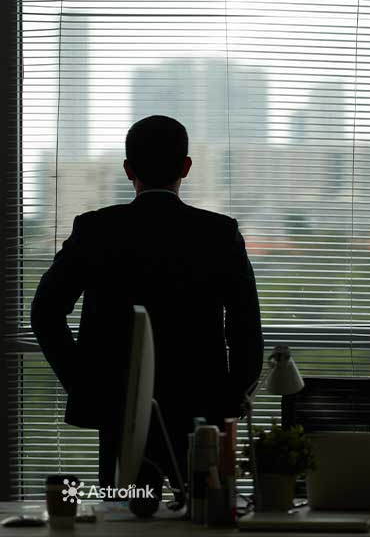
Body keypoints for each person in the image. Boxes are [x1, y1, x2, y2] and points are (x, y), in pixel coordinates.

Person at [30, 115, 264, 501]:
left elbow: (45, 312)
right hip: (200, 413)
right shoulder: (218, 233)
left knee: (125, 516)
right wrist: (229, 399)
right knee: (205, 518)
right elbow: (245, 328)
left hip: (119, 410)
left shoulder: (96, 230)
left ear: (127, 169)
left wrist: (85, 382)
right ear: (186, 167)